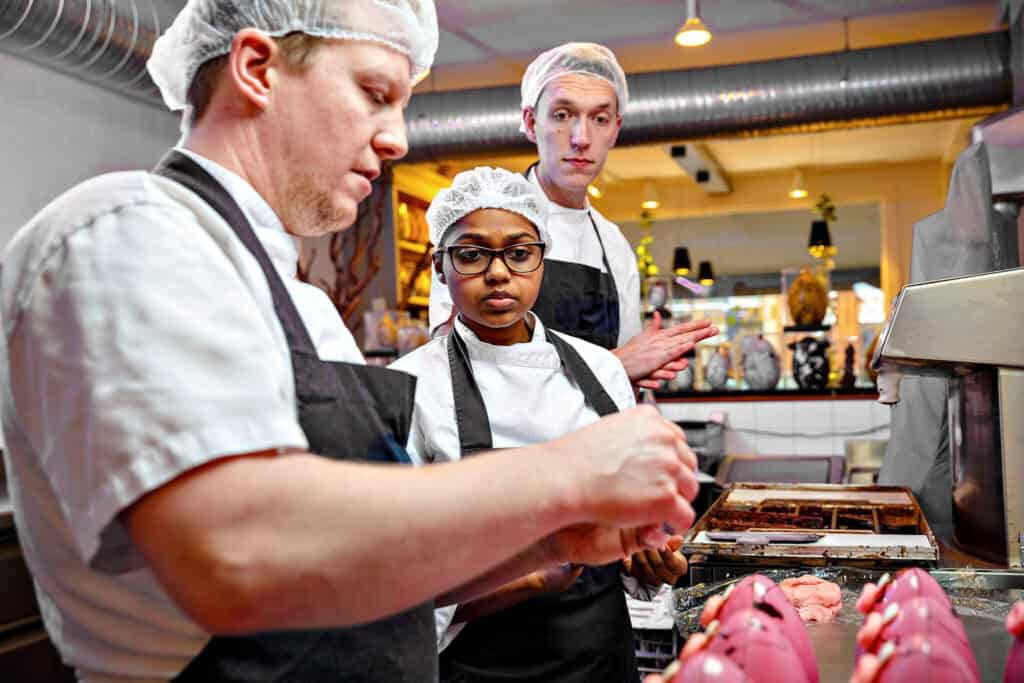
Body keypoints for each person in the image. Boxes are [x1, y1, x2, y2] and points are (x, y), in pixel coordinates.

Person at [0, 2, 700, 682]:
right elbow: (238, 551)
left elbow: (371, 558)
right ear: (256, 68)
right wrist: (567, 475)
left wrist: (560, 538)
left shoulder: (305, 309)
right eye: (373, 92)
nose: (397, 138)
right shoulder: (126, 234)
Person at [393, 167, 690, 683]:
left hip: (600, 658)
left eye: (519, 252)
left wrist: (649, 557)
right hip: (479, 667)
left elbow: (635, 523)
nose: (499, 272)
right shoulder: (410, 387)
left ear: (541, 260)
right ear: (441, 268)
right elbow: (399, 591)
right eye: (471, 253)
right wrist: (524, 580)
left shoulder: (602, 371)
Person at [429, 42, 718, 389]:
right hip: (508, 443)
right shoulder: (481, 223)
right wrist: (614, 365)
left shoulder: (613, 246)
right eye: (563, 115)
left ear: (615, 129)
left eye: (599, 119)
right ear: (531, 122)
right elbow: (459, 367)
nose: (582, 138)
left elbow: (625, 380)